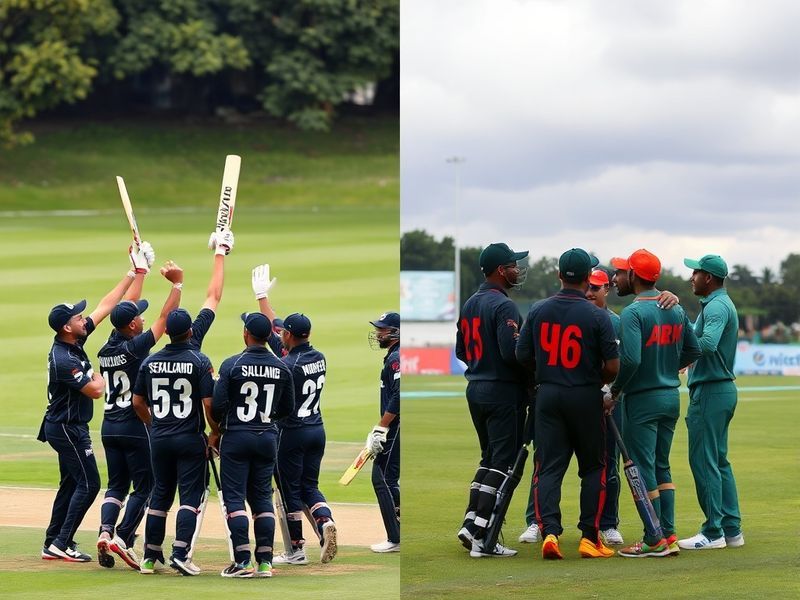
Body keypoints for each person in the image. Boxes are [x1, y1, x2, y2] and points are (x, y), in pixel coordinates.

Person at [39, 243, 153, 562]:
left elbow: (108, 306)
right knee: (90, 484)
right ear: (66, 326)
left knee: (70, 483)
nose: (84, 318)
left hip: (67, 424)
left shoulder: (74, 340)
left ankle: (53, 540)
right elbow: (95, 390)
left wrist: (135, 271)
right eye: (78, 316)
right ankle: (62, 542)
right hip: (66, 427)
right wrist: (100, 374)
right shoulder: (63, 357)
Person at [131, 229, 232, 576]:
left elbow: (137, 401)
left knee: (160, 495)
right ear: (191, 331)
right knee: (191, 497)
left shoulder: (150, 360)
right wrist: (214, 432)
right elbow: (214, 296)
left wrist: (154, 423)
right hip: (190, 437)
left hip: (159, 436)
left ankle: (149, 556)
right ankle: (181, 554)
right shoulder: (198, 358)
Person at [516, 248, 619, 560]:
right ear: (588, 278)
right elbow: (613, 367)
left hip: (548, 395)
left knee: (548, 468)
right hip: (585, 396)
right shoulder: (598, 315)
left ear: (559, 275)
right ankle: (589, 537)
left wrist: (546, 372)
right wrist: (590, 376)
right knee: (593, 468)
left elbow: (522, 355)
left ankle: (549, 532)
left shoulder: (538, 309)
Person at [604, 250, 701, 557]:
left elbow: (630, 359)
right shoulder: (674, 308)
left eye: (622, 272)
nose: (617, 277)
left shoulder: (633, 313)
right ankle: (668, 534)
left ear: (634, 275)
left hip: (642, 399)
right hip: (670, 396)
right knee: (661, 466)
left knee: (642, 467)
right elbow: (693, 350)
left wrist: (615, 391)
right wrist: (668, 368)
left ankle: (653, 538)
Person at [96, 259, 184, 570]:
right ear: (131, 325)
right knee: (145, 486)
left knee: (116, 485)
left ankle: (105, 532)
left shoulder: (108, 348)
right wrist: (177, 285)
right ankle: (122, 537)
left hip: (108, 426)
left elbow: (126, 309)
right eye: (138, 317)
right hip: (133, 426)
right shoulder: (135, 348)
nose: (142, 318)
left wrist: (140, 270)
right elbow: (164, 318)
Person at [455, 242, 529, 558]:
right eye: (514, 265)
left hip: (476, 389)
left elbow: (460, 351)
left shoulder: (470, 303)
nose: (517, 270)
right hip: (502, 392)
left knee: (489, 459)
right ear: (501, 270)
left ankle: (471, 521)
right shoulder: (504, 306)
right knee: (503, 462)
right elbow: (511, 352)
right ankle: (481, 534)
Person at [211, 311, 296, 577]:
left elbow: (218, 406)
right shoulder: (282, 366)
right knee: (262, 499)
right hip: (267, 437)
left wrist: (225, 425)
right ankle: (265, 562)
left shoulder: (231, 364)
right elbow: (287, 408)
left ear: (246, 334)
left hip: (236, 436)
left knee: (235, 499)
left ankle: (243, 562)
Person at [678, 254, 744, 550]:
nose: (691, 277)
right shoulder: (718, 304)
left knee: (705, 461)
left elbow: (706, 344)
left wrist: (679, 353)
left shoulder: (716, 307)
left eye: (696, 272)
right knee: (718, 461)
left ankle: (713, 532)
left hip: (711, 391)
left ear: (709, 278)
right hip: (720, 389)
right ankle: (732, 531)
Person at [270, 312, 338, 565]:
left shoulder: (288, 366)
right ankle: (325, 521)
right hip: (316, 429)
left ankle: (296, 550)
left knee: (291, 493)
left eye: (282, 333)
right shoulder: (319, 357)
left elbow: (278, 401)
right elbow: (283, 347)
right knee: (310, 486)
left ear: (288, 334)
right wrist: (263, 300)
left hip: (292, 432)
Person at [366, 311, 401, 553]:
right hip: (394, 427)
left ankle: (395, 538)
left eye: (383, 329)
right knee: (387, 479)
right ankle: (399, 531)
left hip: (397, 427)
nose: (379, 333)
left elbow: (399, 395)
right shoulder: (393, 356)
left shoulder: (397, 358)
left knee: (382, 478)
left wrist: (381, 427)